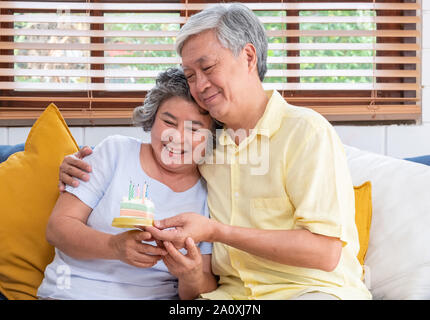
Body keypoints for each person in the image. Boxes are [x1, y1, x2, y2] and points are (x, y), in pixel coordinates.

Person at [59, 3, 372, 300]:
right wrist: (72, 163)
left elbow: (325, 252)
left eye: (207, 67)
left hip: (309, 290)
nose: (200, 85)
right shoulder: (208, 146)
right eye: (191, 75)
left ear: (249, 57)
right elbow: (150, 160)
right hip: (230, 297)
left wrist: (217, 231)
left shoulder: (305, 132)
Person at [37, 68, 218, 300]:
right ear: (152, 119)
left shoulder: (211, 189)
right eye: (169, 122)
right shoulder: (115, 152)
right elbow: (57, 228)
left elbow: (201, 284)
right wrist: (114, 246)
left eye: (194, 129)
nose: (178, 138)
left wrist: (191, 275)